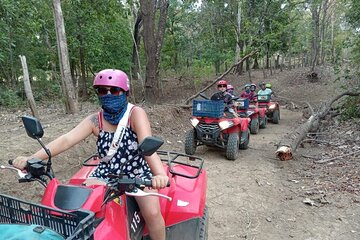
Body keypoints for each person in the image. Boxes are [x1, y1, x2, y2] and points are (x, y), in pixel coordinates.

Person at [12, 69, 169, 240]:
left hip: (136, 174)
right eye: (102, 90)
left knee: (152, 214)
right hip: (105, 174)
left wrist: (159, 175)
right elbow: (66, 139)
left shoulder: (135, 114)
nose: (108, 95)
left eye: (114, 90)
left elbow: (147, 145)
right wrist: (31, 158)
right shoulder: (96, 120)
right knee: (77, 212)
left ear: (125, 92)